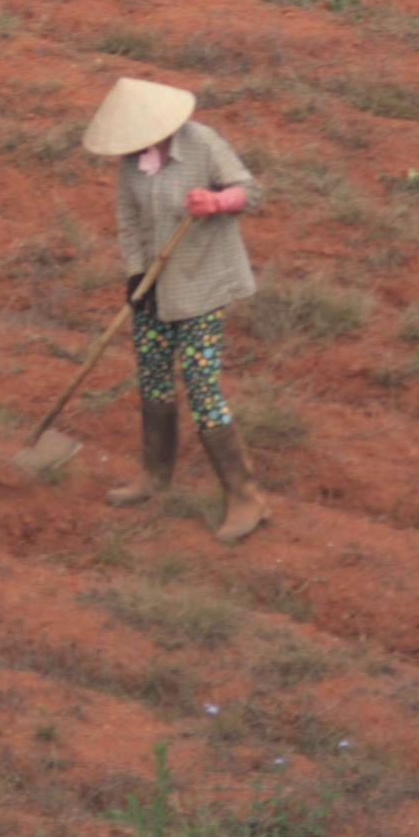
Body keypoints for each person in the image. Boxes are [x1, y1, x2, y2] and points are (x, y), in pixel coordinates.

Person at [82, 77, 270, 544]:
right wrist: (134, 277)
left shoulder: (202, 144)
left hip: (204, 283)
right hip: (155, 286)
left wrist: (218, 201)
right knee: (153, 374)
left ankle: (245, 496)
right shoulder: (131, 166)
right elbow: (128, 222)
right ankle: (155, 475)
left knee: (202, 382)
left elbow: (252, 191)